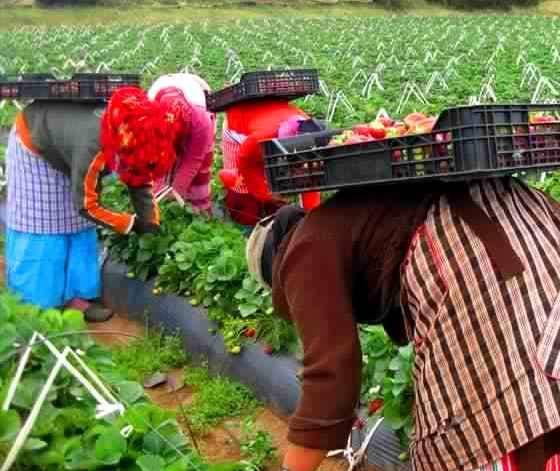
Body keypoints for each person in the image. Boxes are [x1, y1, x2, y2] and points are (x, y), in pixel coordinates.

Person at [247, 177, 560, 471]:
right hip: (530, 221)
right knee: (553, 394)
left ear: (275, 272)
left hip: (472, 254)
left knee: (485, 421)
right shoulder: (340, 220)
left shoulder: (302, 253)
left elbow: (331, 375)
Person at [4, 87, 181, 322]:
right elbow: (86, 205)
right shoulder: (94, 146)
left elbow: (138, 173)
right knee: (43, 230)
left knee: (77, 227)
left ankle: (75, 300)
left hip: (68, 146)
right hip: (35, 144)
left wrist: (150, 221)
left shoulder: (132, 133)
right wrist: (130, 224)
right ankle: (37, 309)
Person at [219, 98, 322, 226]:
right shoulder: (261, 138)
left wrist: (311, 218)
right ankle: (244, 221)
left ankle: (274, 213)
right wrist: (266, 194)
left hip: (267, 119)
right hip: (239, 125)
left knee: (279, 180)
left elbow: (311, 181)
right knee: (242, 186)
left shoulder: (311, 131)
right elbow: (246, 163)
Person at [147, 73, 216, 214]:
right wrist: (158, 192)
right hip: (164, 101)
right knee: (161, 179)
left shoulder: (201, 119)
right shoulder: (147, 117)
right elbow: (155, 160)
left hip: (199, 96)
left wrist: (177, 190)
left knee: (199, 178)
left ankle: (202, 210)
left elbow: (194, 159)